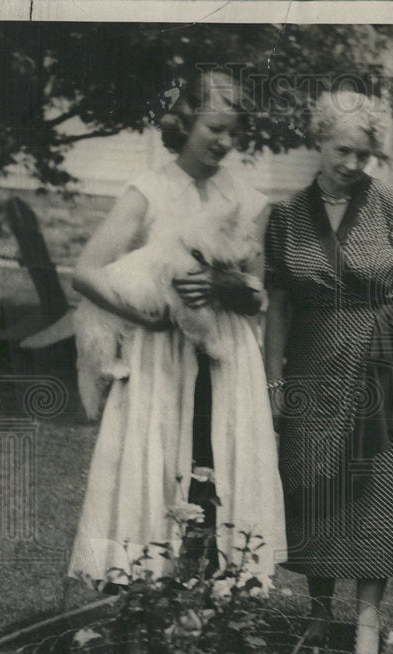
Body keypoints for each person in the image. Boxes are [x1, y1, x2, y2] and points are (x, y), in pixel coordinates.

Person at [68, 70, 286, 587]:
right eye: (214, 128)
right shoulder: (149, 190)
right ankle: (144, 590)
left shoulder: (249, 202)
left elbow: (259, 295)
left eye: (233, 132)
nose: (224, 142)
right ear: (184, 122)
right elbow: (86, 271)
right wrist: (142, 314)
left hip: (225, 356)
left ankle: (221, 594)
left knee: (219, 463)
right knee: (158, 460)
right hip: (161, 356)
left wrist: (222, 284)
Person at [264, 90, 393, 654]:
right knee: (315, 478)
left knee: (377, 483)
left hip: (377, 363)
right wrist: (273, 382)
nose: (351, 164)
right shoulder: (288, 215)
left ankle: (366, 624)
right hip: (312, 362)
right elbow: (279, 306)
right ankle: (319, 613)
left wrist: (385, 310)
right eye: (342, 150)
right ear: (318, 140)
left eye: (363, 154)